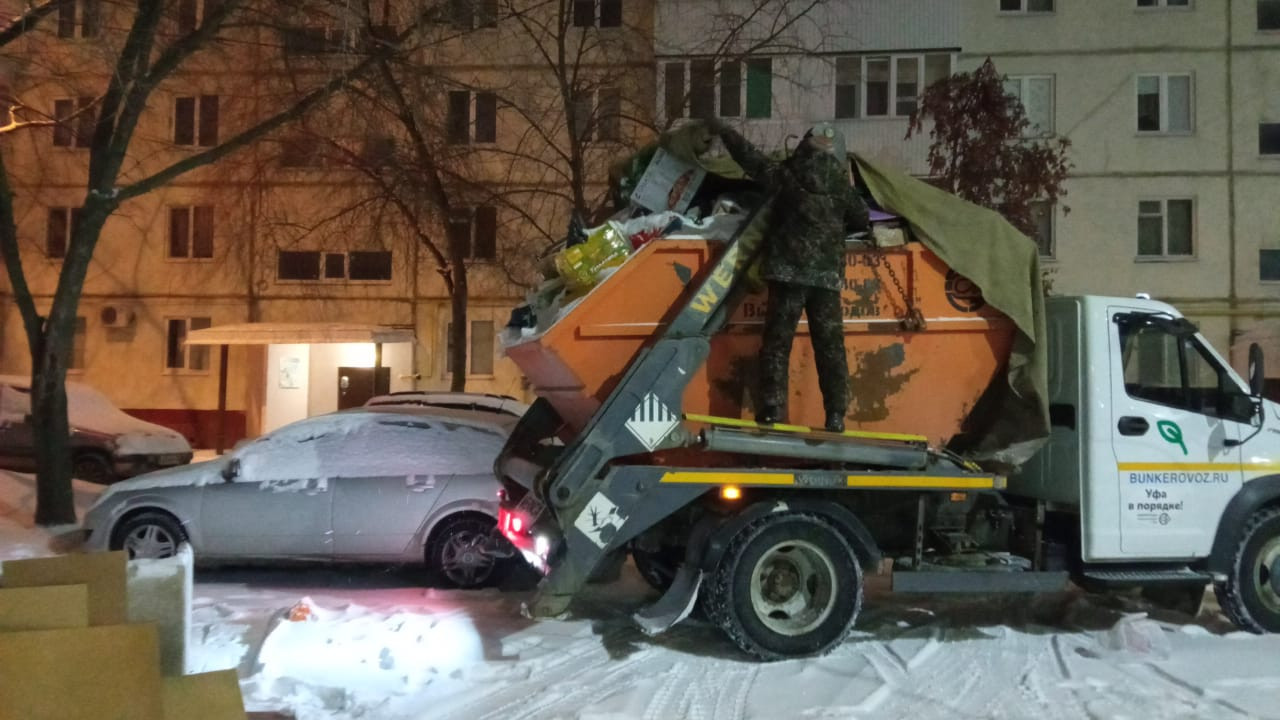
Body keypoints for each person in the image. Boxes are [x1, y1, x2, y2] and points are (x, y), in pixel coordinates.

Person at [704, 119, 869, 432]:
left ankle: (771, 408)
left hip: (787, 274)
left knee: (778, 343)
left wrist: (725, 132)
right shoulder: (841, 187)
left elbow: (752, 160)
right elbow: (862, 218)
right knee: (830, 347)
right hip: (825, 280)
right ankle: (835, 414)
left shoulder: (787, 176)